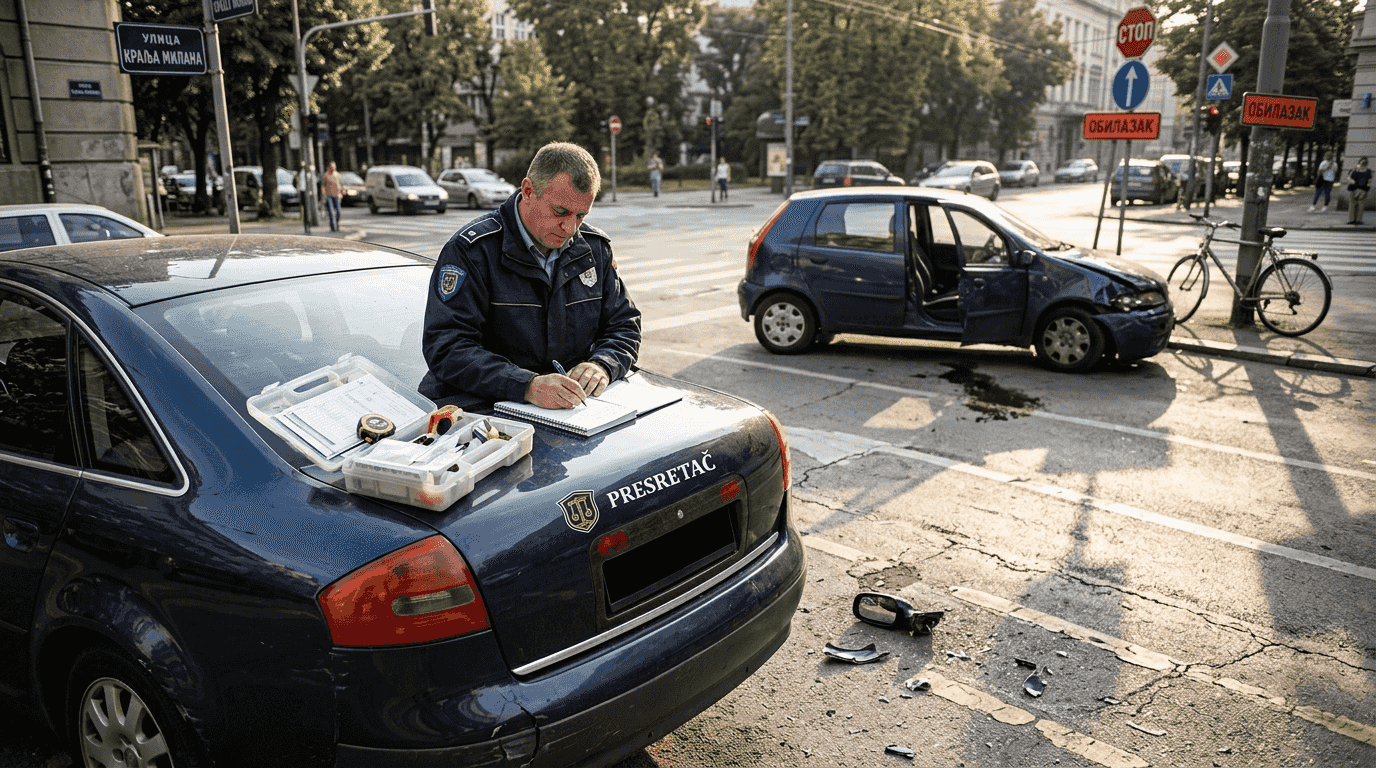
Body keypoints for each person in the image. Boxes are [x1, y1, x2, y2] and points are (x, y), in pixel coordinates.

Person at [420, 142, 641, 411]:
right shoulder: (473, 251)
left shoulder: (594, 249)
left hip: (574, 412)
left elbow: (624, 324)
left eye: (581, 215)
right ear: (528, 191)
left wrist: (603, 364)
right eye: (560, 212)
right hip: (486, 413)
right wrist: (526, 385)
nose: (570, 227)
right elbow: (447, 347)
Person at [1348, 157, 1371, 225]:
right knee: (1356, 205)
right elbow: (1349, 178)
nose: (1363, 164)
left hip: (1359, 189)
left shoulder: (1367, 171)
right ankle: (1355, 220)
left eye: (1365, 163)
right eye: (1363, 163)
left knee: (1358, 205)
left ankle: (1354, 220)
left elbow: (1369, 182)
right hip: (1357, 189)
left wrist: (1364, 190)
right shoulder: (1355, 169)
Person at [322, 162, 344, 231]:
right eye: (331, 167)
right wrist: (324, 194)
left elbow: (340, 184)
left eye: (334, 167)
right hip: (329, 196)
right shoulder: (326, 175)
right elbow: (323, 186)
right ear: (329, 167)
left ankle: (337, 224)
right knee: (331, 212)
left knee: (338, 211)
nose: (333, 168)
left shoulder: (337, 175)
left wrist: (341, 192)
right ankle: (332, 226)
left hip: (337, 195)